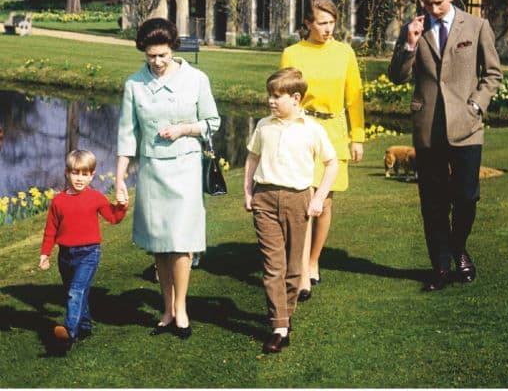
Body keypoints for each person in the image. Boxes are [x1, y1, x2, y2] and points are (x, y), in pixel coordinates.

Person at [388, 0, 503, 291]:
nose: (432, 9)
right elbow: (397, 76)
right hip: (428, 127)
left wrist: (476, 105)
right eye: (426, 3)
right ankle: (440, 266)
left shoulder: (477, 26)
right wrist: (409, 45)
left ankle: (458, 248)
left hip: (467, 127)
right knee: (433, 201)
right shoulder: (413, 28)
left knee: (466, 197)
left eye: (438, 2)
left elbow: (493, 74)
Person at [115, 17, 220, 339]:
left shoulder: (197, 79)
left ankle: (182, 308)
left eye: (163, 55)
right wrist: (119, 179)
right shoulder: (134, 85)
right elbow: (127, 135)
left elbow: (212, 122)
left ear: (173, 48)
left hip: (186, 169)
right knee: (160, 245)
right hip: (152, 171)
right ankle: (167, 309)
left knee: (181, 241)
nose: (158, 62)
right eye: (151, 56)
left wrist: (184, 129)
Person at [244, 68, 338, 353]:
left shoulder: (312, 129)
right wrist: (248, 191)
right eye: (269, 96)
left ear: (296, 98)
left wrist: (318, 198)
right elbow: (252, 158)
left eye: (277, 96)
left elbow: (331, 164)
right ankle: (280, 327)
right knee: (273, 266)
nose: (270, 101)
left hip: (298, 200)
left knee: (295, 267)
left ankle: (284, 313)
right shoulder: (264, 125)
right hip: (265, 198)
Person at [279, 0, 365, 300]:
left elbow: (354, 96)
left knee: (324, 202)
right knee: (305, 202)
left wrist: (357, 136)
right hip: (302, 131)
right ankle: (301, 271)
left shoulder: (344, 53)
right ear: (307, 23)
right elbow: (284, 96)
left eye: (331, 23)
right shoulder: (292, 53)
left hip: (334, 132)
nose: (328, 29)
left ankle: (313, 261)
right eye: (321, 23)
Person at [39, 149, 128, 350]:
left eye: (85, 174)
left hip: (89, 254)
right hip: (65, 255)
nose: (80, 178)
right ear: (67, 172)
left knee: (76, 291)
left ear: (92, 175)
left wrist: (121, 206)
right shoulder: (58, 201)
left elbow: (114, 218)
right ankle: (85, 326)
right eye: (75, 173)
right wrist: (45, 254)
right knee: (77, 292)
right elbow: (50, 230)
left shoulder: (96, 197)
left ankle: (68, 333)